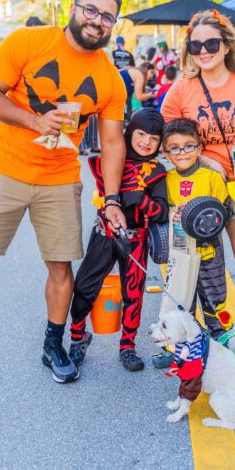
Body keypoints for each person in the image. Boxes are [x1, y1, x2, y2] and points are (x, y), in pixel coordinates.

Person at [0, 0, 128, 384]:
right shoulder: (28, 42)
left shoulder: (110, 79)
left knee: (60, 267)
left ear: (113, 25)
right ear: (73, 8)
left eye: (107, 16)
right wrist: (35, 120)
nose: (97, 21)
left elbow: (111, 142)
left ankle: (52, 343)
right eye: (91, 10)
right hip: (6, 167)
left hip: (59, 179)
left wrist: (112, 200)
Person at [161, 9, 235, 313]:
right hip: (198, 189)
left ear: (226, 45)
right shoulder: (180, 91)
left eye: (211, 44)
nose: (203, 52)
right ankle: (185, 338)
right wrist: (201, 161)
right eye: (195, 45)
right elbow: (167, 141)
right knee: (190, 268)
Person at [68, 109, 168, 372]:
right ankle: (78, 337)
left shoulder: (157, 172)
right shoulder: (112, 159)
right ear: (129, 132)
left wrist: (142, 200)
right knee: (84, 287)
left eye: (154, 139)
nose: (146, 142)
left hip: (137, 240)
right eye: (141, 134)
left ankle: (127, 345)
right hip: (104, 234)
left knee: (133, 294)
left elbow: (162, 211)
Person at [161, 119, 232, 337]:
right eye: (174, 148)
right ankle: (185, 336)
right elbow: (160, 211)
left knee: (214, 291)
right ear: (166, 153)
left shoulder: (211, 177)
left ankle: (219, 331)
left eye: (189, 146)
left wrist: (200, 213)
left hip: (209, 247)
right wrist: (173, 212)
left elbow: (224, 211)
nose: (182, 152)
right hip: (180, 249)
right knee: (182, 294)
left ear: (199, 148)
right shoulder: (165, 179)